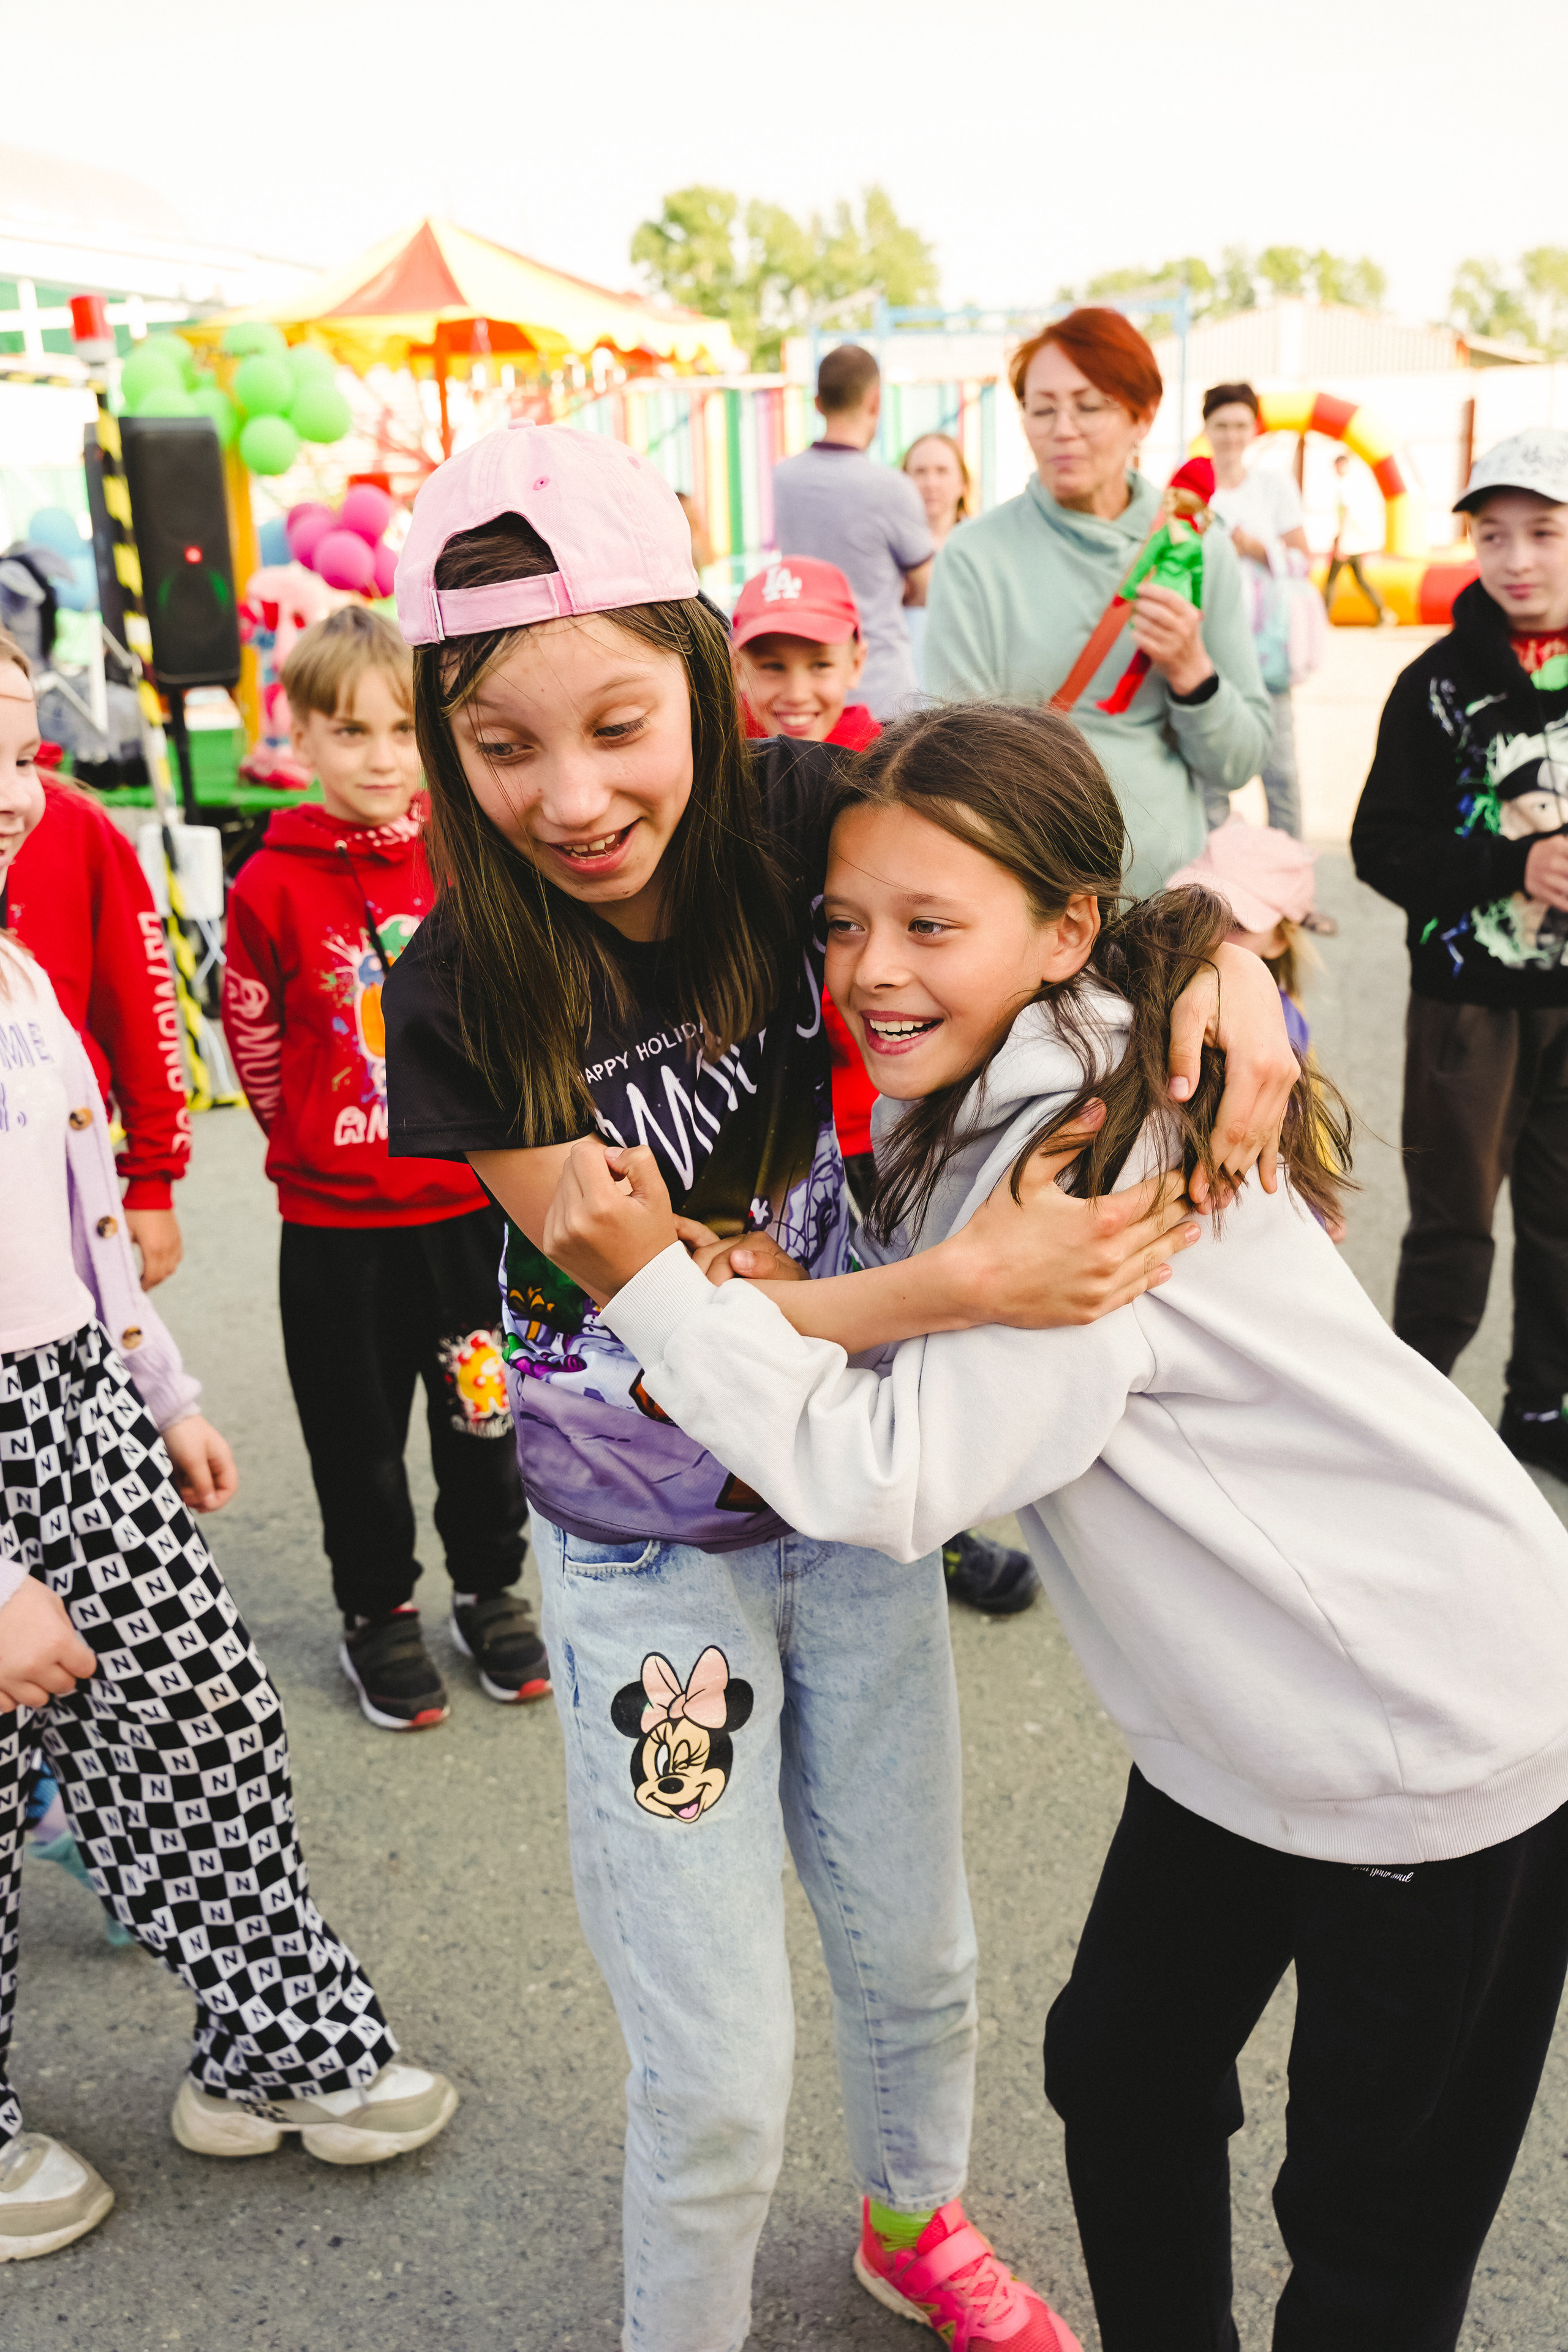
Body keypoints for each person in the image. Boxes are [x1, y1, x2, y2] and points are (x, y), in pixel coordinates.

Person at [379, 423, 1297, 2351]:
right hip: (648, 1562)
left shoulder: (807, 814)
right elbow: (653, 1301)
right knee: (710, 2070)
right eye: (501, 747)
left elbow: (1051, 863)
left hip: (852, 1505)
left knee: (918, 1957)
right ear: (447, 749)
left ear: (704, 674)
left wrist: (1220, 948)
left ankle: (911, 2222)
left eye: (622, 720)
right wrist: (957, 1278)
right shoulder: (465, 979)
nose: (572, 794)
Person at [546, 698, 1568, 2352]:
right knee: (1125, 2060)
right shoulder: (1037, 1058)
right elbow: (951, 1322)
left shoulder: (1097, 1151)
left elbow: (891, 1477)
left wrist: (655, 1293)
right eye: (846, 922)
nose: (873, 969)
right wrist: (796, 1300)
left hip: (1427, 1725)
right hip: (1250, 1713)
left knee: (1373, 2229)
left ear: (1065, 926)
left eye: (931, 925)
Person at [0, 640, 456, 2263]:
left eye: (23, 755)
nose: (13, 799)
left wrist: (164, 1386)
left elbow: (75, 1218)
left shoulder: (18, 973)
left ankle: (280, 2048)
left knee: (199, 1710)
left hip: (74, 1400)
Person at [221, 608, 540, 1732]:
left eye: (404, 730)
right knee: (354, 1438)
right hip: (334, 1229)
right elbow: (256, 1045)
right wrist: (317, 1141)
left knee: (481, 1415)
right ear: (298, 734)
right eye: (349, 731)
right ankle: (379, 1612)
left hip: (464, 1212)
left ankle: (489, 1589)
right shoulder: (268, 883)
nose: (379, 757)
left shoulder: (470, 856)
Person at [731, 554, 1036, 1615]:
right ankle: (818, 1498)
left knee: (911, 1311)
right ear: (733, 668)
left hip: (902, 1111)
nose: (794, 687)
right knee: (821, 1299)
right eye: (767, 661)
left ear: (858, 656)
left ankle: (934, 1524)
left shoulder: (894, 785)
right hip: (787, 1125)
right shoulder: (722, 803)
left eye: (815, 658)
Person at [1352, 425, 1568, 1476]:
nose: (1519, 558)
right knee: (1453, 1228)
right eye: (1495, 534)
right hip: (1467, 1004)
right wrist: (1508, 867)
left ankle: (1541, 1407)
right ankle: (1414, 1430)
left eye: (1545, 531)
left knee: (1563, 1221)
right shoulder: (1435, 686)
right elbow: (1379, 845)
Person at [924, 308, 1270, 895]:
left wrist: (1192, 671)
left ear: (1144, 416)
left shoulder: (1199, 549)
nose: (1063, 428)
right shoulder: (975, 556)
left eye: (1089, 406)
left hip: (1163, 905)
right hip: (1030, 895)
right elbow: (958, 761)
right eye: (1042, 409)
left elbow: (1238, 763)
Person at [3, 764, 189, 1289]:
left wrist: (153, 1178)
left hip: (58, 1175)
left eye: (24, 756)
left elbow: (140, 1009)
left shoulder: (72, 823)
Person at [771, 344, 933, 720]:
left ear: (817, 403)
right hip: (881, 690)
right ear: (874, 401)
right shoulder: (891, 487)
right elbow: (928, 586)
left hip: (812, 687)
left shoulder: (784, 478)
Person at [1199, 384, 1314, 842]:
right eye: (1221, 425)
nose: (1231, 436)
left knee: (1280, 768)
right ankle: (1212, 890)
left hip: (1266, 649)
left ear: (1254, 430)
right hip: (1208, 647)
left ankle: (1295, 886)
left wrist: (1253, 547)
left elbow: (1304, 560)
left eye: (1240, 425)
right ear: (1206, 429)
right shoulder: (1191, 484)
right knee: (1207, 773)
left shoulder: (1273, 486)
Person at [729, 554, 880, 750]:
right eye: (773, 667)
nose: (797, 695)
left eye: (820, 665)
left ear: (855, 665)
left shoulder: (881, 763)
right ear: (738, 670)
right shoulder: (715, 752)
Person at [902, 434, 971, 691]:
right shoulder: (888, 550)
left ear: (962, 482)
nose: (931, 483)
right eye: (920, 472)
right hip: (903, 692)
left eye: (942, 471)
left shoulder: (984, 547)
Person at [1324, 448, 1396, 625]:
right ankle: (1384, 612)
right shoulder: (1358, 484)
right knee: (1360, 580)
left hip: (1347, 541)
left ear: (1341, 465)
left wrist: (1340, 541)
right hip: (1356, 541)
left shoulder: (1345, 485)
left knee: (1331, 582)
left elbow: (1346, 514)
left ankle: (1322, 619)